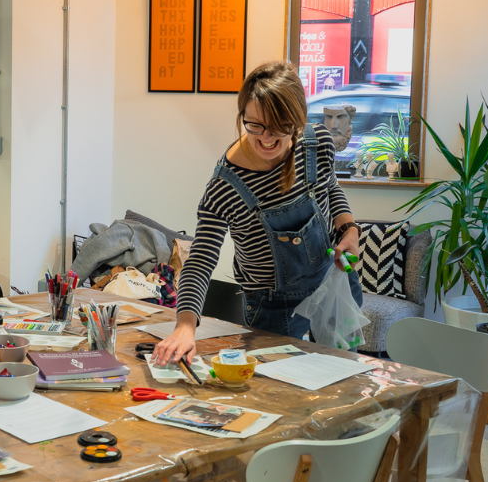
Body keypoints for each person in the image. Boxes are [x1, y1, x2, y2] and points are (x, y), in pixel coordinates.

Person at [153, 61, 363, 368]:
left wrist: (350, 231)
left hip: (333, 283)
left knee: (344, 381)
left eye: (279, 127)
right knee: (283, 400)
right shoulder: (227, 185)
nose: (265, 137)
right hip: (273, 308)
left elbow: (330, 189)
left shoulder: (317, 144)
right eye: (254, 125)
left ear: (298, 120)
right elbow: (201, 258)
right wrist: (185, 325)